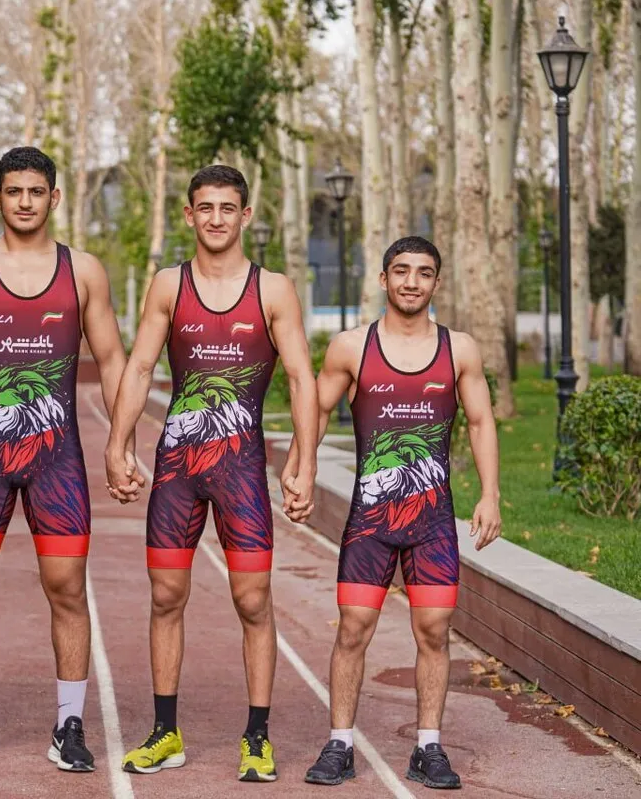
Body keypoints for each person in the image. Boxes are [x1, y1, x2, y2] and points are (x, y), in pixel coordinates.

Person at [0, 146, 133, 772]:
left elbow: (112, 360)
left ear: (54, 198)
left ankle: (70, 725)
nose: (26, 202)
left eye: (37, 191)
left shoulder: (83, 271)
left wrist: (120, 444)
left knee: (67, 587)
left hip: (56, 459)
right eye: (14, 191)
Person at [103, 164, 319, 782]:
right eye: (206, 207)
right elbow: (139, 367)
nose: (216, 218)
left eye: (228, 207)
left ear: (245, 215)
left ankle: (257, 736)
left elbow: (301, 377)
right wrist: (118, 445)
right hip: (178, 469)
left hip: (241, 471)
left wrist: (303, 462)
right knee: (165, 596)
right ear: (189, 214)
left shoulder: (272, 290)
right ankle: (165, 732)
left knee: (252, 600)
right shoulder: (168, 285)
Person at [286, 236, 502, 789]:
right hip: (371, 523)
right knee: (353, 629)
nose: (412, 281)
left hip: (433, 523)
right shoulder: (352, 347)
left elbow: (480, 422)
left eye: (424, 272)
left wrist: (491, 494)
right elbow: (316, 408)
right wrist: (301, 468)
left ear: (436, 282)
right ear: (383, 279)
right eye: (401, 271)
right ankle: (339, 744)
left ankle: (429, 747)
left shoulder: (460, 350)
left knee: (434, 631)